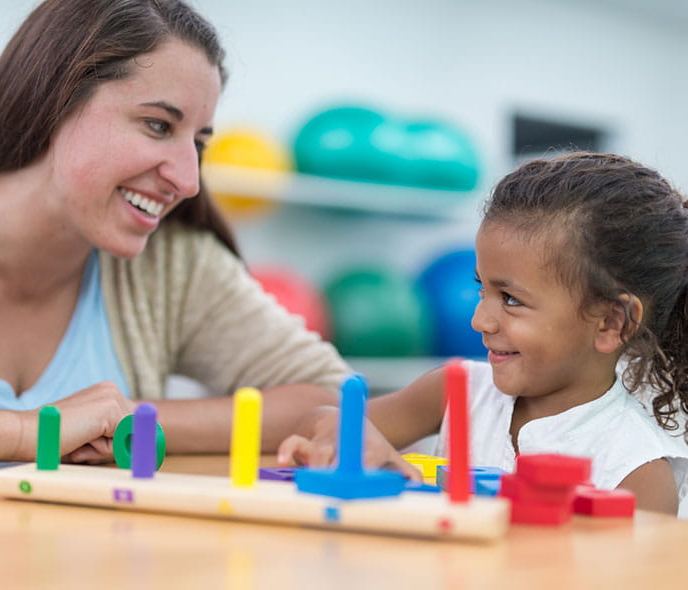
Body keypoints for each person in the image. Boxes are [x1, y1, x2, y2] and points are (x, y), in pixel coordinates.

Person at [0, 0, 349, 473]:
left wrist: (134, 419)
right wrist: (30, 431)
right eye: (158, 125)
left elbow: (335, 399)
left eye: (197, 144)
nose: (189, 180)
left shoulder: (170, 263)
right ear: (57, 98)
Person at [278, 152, 688, 515]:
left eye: (510, 299)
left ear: (611, 322)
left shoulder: (636, 469)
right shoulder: (458, 390)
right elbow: (326, 419)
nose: (479, 320)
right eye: (482, 289)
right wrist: (341, 434)